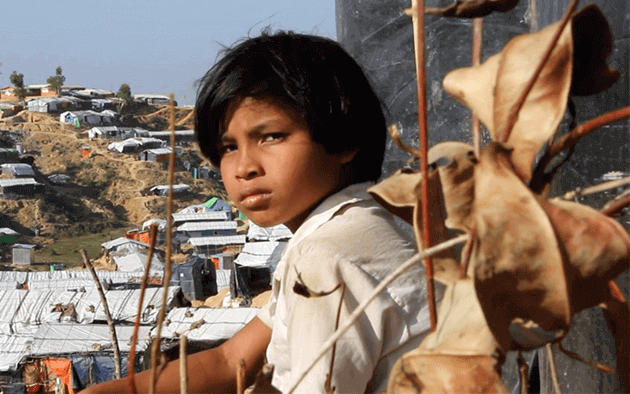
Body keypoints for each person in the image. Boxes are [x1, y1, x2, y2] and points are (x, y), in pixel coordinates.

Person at [80, 30, 430, 394]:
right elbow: (231, 360)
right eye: (228, 147)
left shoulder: (327, 256)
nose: (243, 167)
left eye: (271, 136)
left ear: (345, 140)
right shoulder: (363, 224)